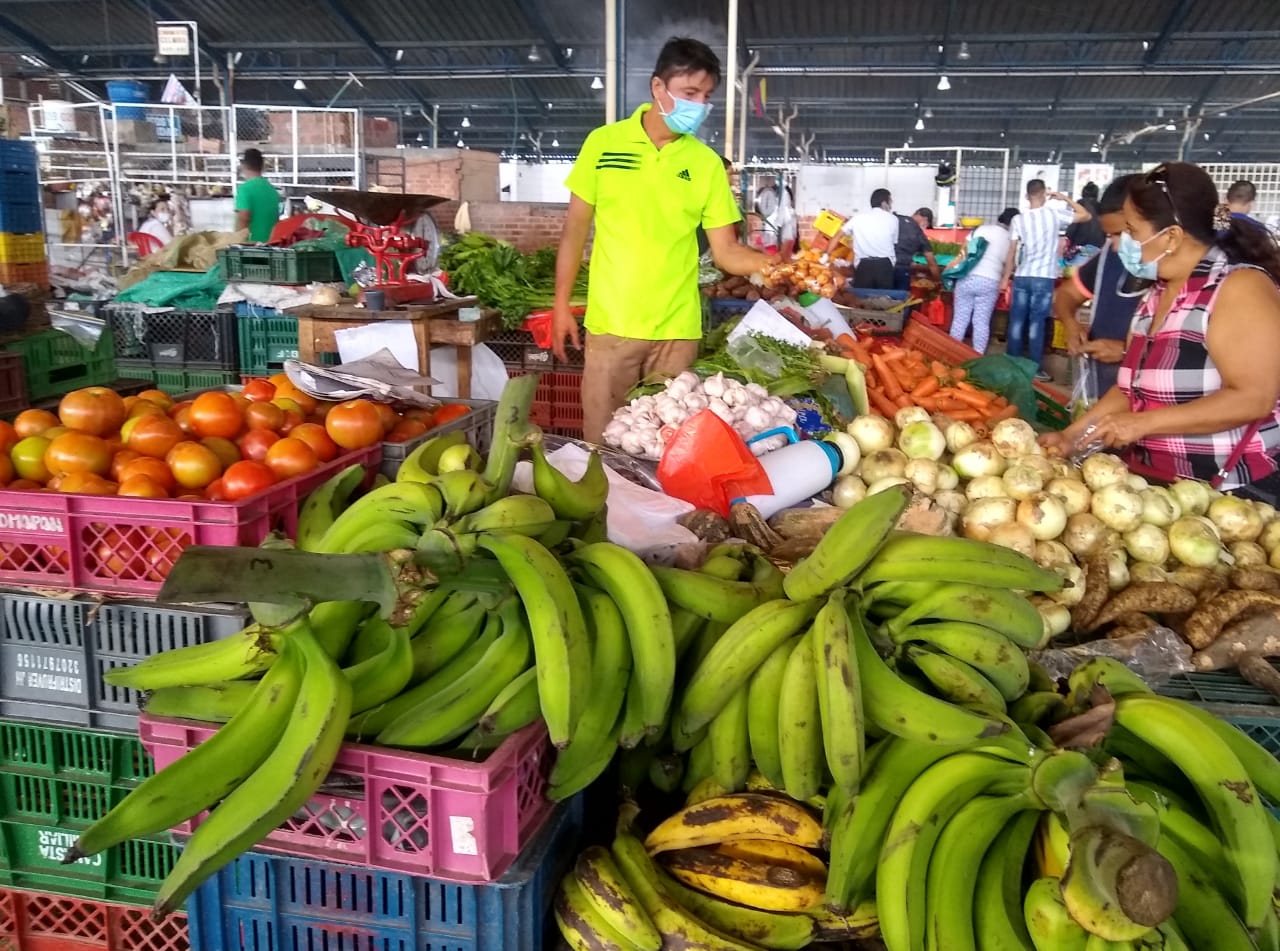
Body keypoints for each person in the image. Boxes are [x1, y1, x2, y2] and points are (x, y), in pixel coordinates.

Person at [551, 37, 774, 444]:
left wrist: (772, 265)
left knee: (668, 448)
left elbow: (726, 252)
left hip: (677, 332)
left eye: (706, 96)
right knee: (605, 444)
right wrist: (561, 305)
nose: (699, 105)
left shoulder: (705, 164)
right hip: (613, 325)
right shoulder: (603, 145)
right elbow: (574, 231)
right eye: (690, 93)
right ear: (658, 88)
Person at [1041, 162, 1280, 498]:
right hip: (1159, 485)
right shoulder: (1156, 292)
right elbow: (1131, 388)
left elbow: (1254, 398)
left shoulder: (1238, 287)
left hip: (1231, 492)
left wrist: (1144, 423)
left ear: (1171, 236)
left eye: (1131, 231)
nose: (1121, 242)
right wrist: (1072, 435)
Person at [1053, 175, 1147, 396]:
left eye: (1122, 234)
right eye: (1109, 236)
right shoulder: (1107, 258)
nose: (1114, 246)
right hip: (1102, 390)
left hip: (1148, 402)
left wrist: (1126, 351)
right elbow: (1067, 294)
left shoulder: (1183, 277)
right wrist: (1070, 323)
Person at [1001, 179, 1091, 380]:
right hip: (1043, 277)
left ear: (1026, 196)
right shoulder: (1053, 213)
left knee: (1016, 321)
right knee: (1036, 323)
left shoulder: (1018, 220)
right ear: (1044, 194)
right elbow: (1086, 215)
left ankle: (1011, 364)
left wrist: (1006, 277)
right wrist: (1064, 197)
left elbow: (1012, 251)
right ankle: (1034, 368)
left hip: (1022, 276)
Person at [948, 207, 1018, 353]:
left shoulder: (981, 229)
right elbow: (1011, 263)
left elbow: (963, 251)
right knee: (981, 322)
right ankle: (977, 356)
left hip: (968, 277)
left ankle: (951, 353)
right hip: (990, 281)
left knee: (960, 319)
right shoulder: (1011, 239)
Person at [843, 188, 898, 289]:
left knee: (862, 300)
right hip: (884, 265)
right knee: (884, 300)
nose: (891, 204)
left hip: (864, 265)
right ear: (884, 203)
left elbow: (839, 234)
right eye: (890, 201)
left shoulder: (858, 218)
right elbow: (894, 243)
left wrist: (826, 255)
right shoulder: (893, 219)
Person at [235, 148, 281, 243]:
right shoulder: (271, 190)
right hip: (271, 243)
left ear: (243, 165)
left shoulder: (245, 189)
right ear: (262, 166)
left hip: (251, 245)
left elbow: (244, 217)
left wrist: (237, 241)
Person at [892, 210, 940, 291]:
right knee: (901, 299)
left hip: (883, 265)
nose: (925, 228)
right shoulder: (918, 233)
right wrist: (938, 282)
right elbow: (931, 262)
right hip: (902, 269)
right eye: (926, 225)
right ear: (925, 219)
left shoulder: (895, 219)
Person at [1065, 181, 1105, 258]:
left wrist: (1068, 240)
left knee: (1065, 264)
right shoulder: (1101, 207)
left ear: (1083, 193)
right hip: (1098, 248)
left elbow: (1073, 227)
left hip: (1081, 247)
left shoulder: (1080, 205)